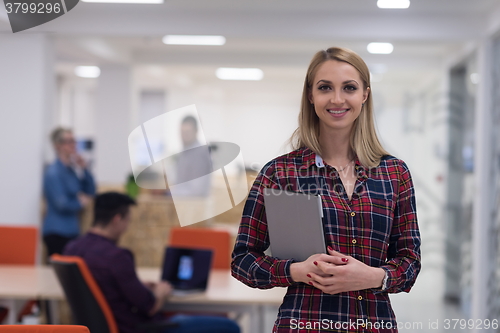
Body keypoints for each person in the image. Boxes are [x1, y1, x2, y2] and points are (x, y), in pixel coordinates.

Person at [231, 47, 421, 333]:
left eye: (349, 88)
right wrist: (296, 271)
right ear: (311, 95)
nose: (337, 98)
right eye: (325, 88)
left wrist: (372, 276)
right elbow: (242, 260)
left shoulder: (394, 173)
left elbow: (410, 262)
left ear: (365, 95)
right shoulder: (279, 173)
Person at [64, 192, 240, 333]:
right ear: (117, 219)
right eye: (127, 221)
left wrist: (137, 285)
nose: (126, 227)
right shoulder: (116, 257)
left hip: (102, 327)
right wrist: (162, 291)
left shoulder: (72, 249)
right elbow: (150, 307)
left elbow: (105, 287)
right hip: (141, 328)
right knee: (231, 327)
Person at [43, 127, 96, 257]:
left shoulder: (71, 171)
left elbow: (90, 191)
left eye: (74, 141)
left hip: (72, 231)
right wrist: (79, 202)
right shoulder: (53, 173)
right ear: (58, 145)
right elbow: (61, 204)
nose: (73, 145)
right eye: (69, 141)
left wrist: (84, 169)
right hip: (56, 232)